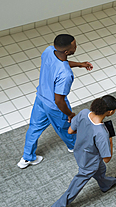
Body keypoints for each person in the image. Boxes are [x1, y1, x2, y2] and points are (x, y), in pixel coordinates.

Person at [17, 34, 93, 169]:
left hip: (40, 98)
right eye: (74, 46)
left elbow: (59, 63)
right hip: (54, 106)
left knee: (34, 128)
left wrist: (79, 64)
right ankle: (73, 146)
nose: (76, 46)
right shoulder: (65, 75)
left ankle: (27, 158)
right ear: (67, 51)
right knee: (65, 127)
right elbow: (59, 100)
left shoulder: (49, 51)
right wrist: (70, 114)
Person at [48, 95, 116, 207]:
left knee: (101, 169)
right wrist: (110, 141)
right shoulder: (102, 132)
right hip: (90, 161)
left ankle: (106, 184)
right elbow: (106, 159)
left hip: (79, 152)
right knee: (80, 180)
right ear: (110, 112)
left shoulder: (84, 113)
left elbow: (70, 131)